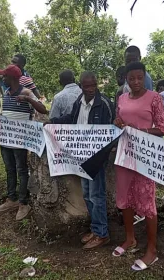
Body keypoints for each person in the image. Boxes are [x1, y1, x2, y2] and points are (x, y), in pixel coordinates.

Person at [47, 71, 114, 250]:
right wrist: (53, 122)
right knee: (87, 194)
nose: (91, 89)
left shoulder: (105, 104)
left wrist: (101, 157)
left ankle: (102, 234)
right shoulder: (79, 102)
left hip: (96, 159)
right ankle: (95, 228)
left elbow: (111, 132)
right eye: (87, 86)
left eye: (94, 85)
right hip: (81, 155)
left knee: (96, 196)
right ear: (81, 86)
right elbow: (71, 119)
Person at [113, 62, 164, 271]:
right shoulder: (122, 98)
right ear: (126, 79)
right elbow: (120, 120)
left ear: (144, 77)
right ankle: (130, 239)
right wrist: (119, 123)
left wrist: (137, 130)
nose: (136, 82)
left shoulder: (155, 98)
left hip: (145, 156)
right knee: (124, 198)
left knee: (147, 200)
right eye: (131, 78)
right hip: (125, 154)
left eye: (139, 77)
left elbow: (161, 128)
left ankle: (151, 250)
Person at [0, 64, 47, 221]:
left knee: (21, 170)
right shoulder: (6, 92)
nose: (2, 78)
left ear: (12, 78)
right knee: (10, 169)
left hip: (20, 141)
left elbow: (43, 109)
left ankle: (24, 202)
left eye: (5, 76)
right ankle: (12, 199)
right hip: (6, 139)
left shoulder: (26, 92)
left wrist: (28, 99)